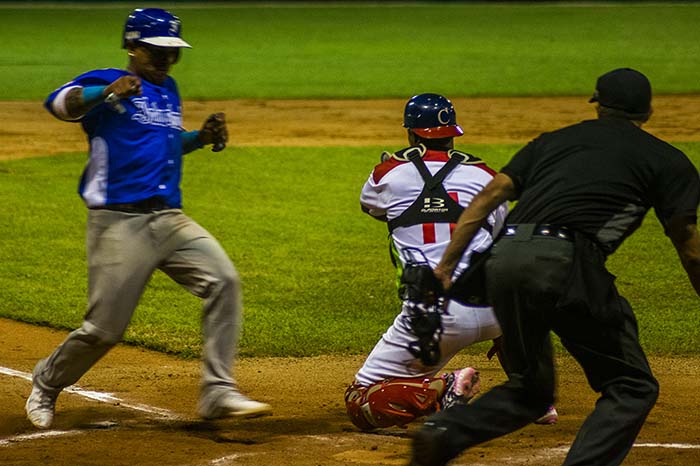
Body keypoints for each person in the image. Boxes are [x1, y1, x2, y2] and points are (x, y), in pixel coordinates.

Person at [408, 68, 700, 466]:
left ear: (597, 104)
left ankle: (445, 434)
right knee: (631, 385)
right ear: (647, 111)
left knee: (531, 389)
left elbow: (491, 195)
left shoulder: (553, 142)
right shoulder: (667, 160)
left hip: (503, 259)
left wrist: (446, 267)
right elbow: (687, 242)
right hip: (566, 261)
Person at [25, 8, 271, 429]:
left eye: (172, 53)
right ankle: (46, 382)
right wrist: (105, 93)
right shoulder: (105, 79)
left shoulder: (168, 89)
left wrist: (200, 138)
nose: (166, 60)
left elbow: (164, 143)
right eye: (157, 51)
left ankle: (217, 392)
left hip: (169, 219)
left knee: (224, 281)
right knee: (103, 331)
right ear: (132, 47)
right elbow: (58, 104)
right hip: (118, 223)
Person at [345, 93, 558, 431]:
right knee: (504, 293)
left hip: (434, 318)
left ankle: (445, 389)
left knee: (360, 399)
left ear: (411, 134)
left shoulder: (388, 173)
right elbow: (498, 227)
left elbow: (372, 207)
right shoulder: (486, 175)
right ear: (452, 133)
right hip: (496, 310)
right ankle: (536, 398)